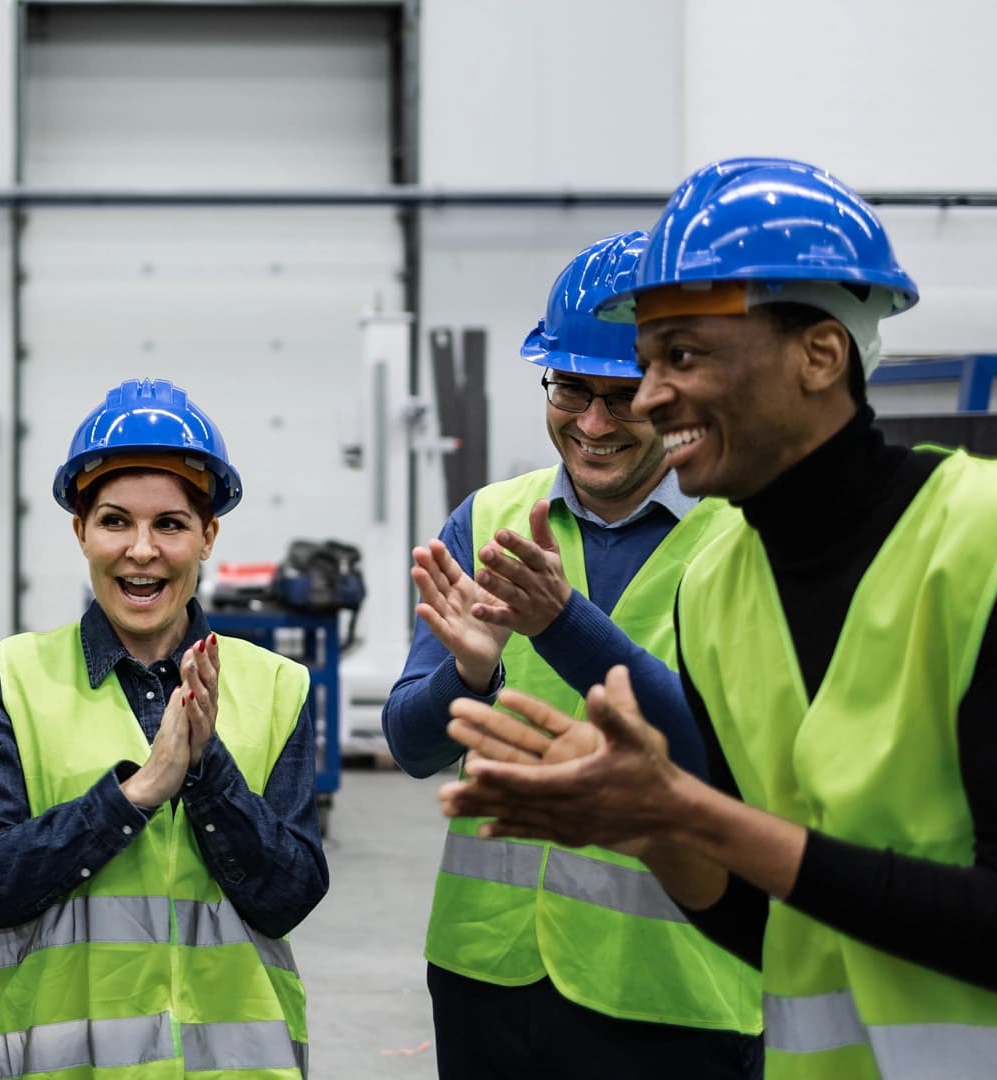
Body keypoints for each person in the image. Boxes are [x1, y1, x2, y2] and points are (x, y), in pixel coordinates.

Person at [440, 158, 997, 1078]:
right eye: (645, 363)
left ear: (820, 354)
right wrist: (650, 828)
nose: (651, 397)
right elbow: (765, 924)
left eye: (683, 357)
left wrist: (699, 820)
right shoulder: (722, 587)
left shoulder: (994, 540)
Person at [385, 232, 760, 1077]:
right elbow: (411, 748)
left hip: (677, 988)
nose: (590, 424)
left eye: (620, 396)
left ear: (672, 389)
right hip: (488, 972)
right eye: (568, 389)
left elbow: (723, 759)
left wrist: (560, 623)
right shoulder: (489, 518)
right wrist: (471, 673)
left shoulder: (745, 535)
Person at [0, 378, 327, 1078]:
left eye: (172, 524)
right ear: (81, 531)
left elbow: (289, 896)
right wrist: (135, 796)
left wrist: (209, 771)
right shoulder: (13, 677)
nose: (142, 550)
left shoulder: (278, 687)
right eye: (116, 521)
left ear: (208, 535)